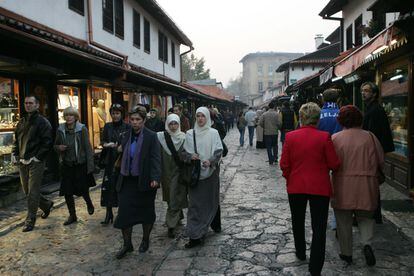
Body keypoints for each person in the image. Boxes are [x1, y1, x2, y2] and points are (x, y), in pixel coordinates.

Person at [280, 102, 340, 276]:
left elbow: (284, 164)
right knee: (319, 227)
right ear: (317, 118)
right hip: (319, 187)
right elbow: (334, 163)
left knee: (297, 221)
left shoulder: (291, 137)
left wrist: (289, 178)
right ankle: (315, 267)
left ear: (301, 117)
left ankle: (300, 251)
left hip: (296, 186)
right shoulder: (324, 137)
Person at [331, 105, 384, 266]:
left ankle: (346, 253)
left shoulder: (335, 138)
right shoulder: (370, 137)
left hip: (342, 185)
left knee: (343, 220)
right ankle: (366, 243)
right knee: (366, 218)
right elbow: (380, 160)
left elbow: (331, 163)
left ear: (341, 120)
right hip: (366, 184)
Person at [114, 105, 161, 259]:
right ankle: (127, 244)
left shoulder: (151, 136)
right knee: (124, 214)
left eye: (138, 120)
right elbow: (121, 154)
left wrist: (155, 178)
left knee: (146, 213)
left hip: (145, 181)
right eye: (132, 119)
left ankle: (145, 240)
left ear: (144, 120)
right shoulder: (125, 135)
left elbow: (155, 158)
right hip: (127, 180)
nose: (134, 122)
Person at [181, 107, 223, 248]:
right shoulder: (189, 134)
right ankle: (195, 235)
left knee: (210, 202)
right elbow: (183, 153)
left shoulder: (213, 133)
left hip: (210, 174)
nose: (200, 119)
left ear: (207, 118)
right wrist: (190, 156)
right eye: (198, 116)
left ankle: (207, 227)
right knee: (195, 205)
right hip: (195, 175)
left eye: (203, 116)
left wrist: (210, 161)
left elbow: (218, 150)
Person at [12, 95, 54, 232]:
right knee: (27, 191)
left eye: (31, 103)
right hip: (23, 161)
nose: (28, 105)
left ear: (37, 105)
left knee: (33, 191)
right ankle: (46, 205)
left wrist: (37, 157)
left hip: (36, 161)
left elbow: (47, 142)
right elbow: (16, 140)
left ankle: (30, 220)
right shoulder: (22, 121)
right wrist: (15, 154)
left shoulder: (43, 122)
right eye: (26, 103)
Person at [55, 107, 95, 226]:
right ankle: (72, 215)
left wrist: (90, 166)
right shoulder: (60, 129)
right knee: (67, 192)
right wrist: (59, 148)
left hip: (80, 164)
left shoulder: (82, 129)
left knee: (83, 189)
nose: (68, 117)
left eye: (71, 115)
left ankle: (89, 203)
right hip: (67, 164)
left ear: (75, 117)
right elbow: (55, 145)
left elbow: (88, 148)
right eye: (66, 115)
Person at [361, 81, 394, 224]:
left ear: (374, 94)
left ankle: (374, 214)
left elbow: (372, 135)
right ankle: (375, 214)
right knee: (372, 183)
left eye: (366, 91)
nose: (363, 93)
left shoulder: (375, 110)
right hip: (374, 151)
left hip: (374, 152)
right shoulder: (371, 108)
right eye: (362, 90)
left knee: (372, 183)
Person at [157, 114, 187, 238]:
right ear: (167, 124)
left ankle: (171, 225)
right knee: (171, 196)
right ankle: (178, 215)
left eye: (175, 123)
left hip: (179, 173)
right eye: (171, 124)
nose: (173, 126)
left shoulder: (184, 138)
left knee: (175, 195)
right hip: (165, 173)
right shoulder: (161, 137)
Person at [100, 104, 130, 225]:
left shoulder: (127, 126)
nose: (115, 116)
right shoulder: (107, 126)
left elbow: (129, 141)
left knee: (121, 187)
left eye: (117, 113)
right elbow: (103, 141)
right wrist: (106, 144)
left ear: (122, 114)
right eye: (113, 113)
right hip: (110, 160)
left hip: (122, 160)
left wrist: (121, 147)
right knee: (108, 186)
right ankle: (108, 213)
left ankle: (121, 213)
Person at [317, 88, 343, 232]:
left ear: (323, 100)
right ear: (338, 99)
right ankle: (336, 220)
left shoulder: (319, 114)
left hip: (321, 153)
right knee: (338, 185)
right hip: (340, 152)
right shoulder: (342, 113)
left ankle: (322, 216)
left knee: (324, 185)